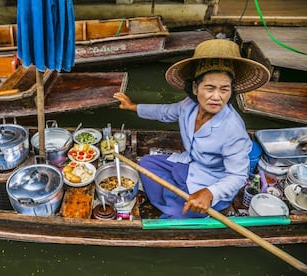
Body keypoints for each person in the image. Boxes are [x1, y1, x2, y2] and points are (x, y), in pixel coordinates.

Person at [113, 39, 270, 219]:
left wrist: (210, 193)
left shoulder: (233, 129)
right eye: (209, 88)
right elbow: (165, 112)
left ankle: (178, 206)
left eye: (224, 89)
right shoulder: (188, 105)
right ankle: (172, 202)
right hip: (189, 164)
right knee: (146, 163)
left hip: (210, 181)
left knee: (175, 218)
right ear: (195, 88)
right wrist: (133, 107)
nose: (217, 97)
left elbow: (237, 176)